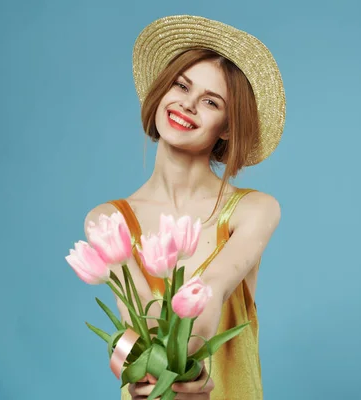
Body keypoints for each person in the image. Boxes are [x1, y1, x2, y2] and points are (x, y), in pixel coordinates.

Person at [83, 15, 286, 400]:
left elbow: (211, 290)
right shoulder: (107, 221)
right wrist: (155, 376)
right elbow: (139, 319)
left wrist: (185, 368)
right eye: (181, 85)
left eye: (211, 101)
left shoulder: (253, 210)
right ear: (162, 91)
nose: (187, 105)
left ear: (227, 126)